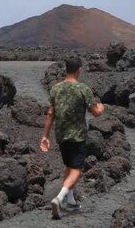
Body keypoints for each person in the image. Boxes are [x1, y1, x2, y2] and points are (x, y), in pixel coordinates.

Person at [40, 56, 105, 219]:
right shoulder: (83, 89)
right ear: (78, 70)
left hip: (61, 135)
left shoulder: (55, 88)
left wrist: (45, 136)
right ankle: (60, 198)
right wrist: (101, 108)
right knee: (77, 170)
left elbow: (50, 114)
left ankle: (71, 199)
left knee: (68, 166)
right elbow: (96, 113)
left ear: (66, 70)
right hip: (77, 136)